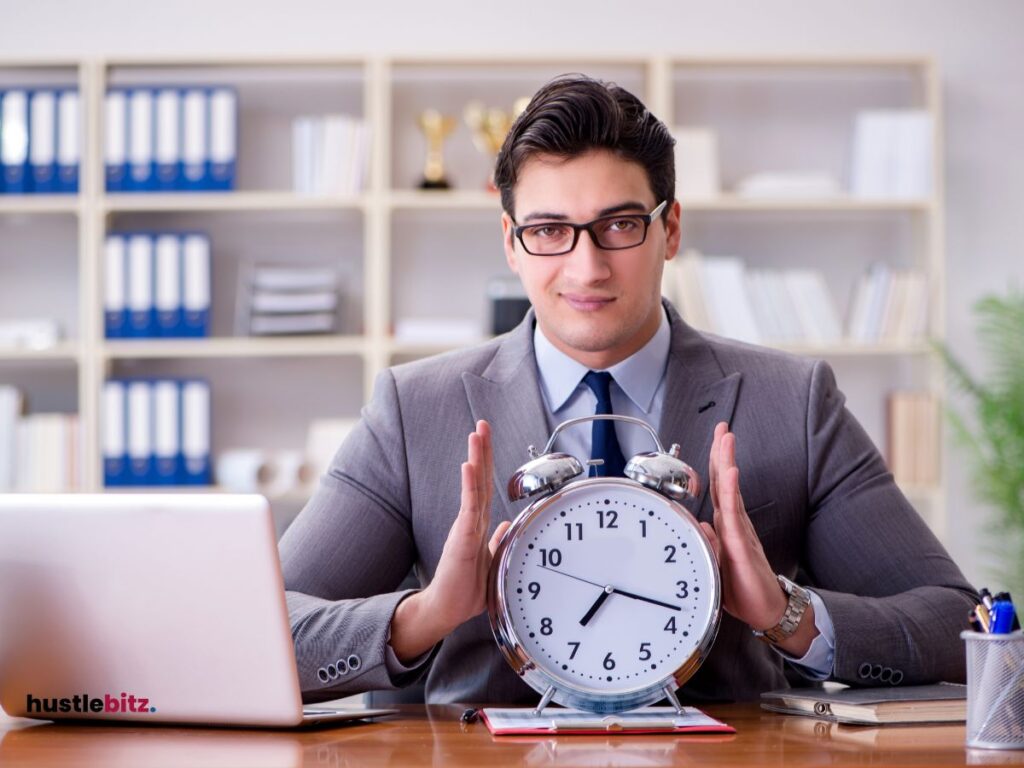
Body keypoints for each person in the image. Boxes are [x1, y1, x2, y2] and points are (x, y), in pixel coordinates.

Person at [279, 74, 976, 705]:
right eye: (550, 230)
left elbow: (959, 623)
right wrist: (425, 614)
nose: (586, 268)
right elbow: (266, 623)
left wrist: (785, 613)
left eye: (619, 225)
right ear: (511, 242)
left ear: (669, 229)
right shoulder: (414, 409)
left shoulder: (791, 402)